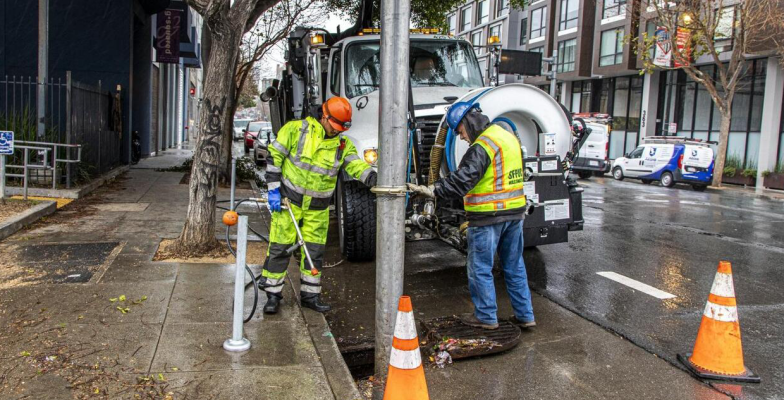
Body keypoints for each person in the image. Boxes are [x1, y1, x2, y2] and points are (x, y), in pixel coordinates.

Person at [407, 102, 535, 330]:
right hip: (514, 214)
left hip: (487, 217)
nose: (462, 137)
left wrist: (434, 190)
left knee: (480, 268)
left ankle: (486, 317)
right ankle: (525, 316)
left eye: (460, 131)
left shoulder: (483, 145)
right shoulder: (507, 137)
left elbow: (464, 179)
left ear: (468, 122)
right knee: (514, 266)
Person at [262, 97, 377, 314]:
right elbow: (274, 156)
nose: (337, 132)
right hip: (289, 203)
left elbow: (355, 165)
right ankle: (272, 295)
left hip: (318, 209)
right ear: (324, 117)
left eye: (341, 128)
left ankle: (310, 296)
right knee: (280, 248)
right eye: (335, 127)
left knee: (313, 252)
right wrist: (274, 190)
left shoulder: (342, 145)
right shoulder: (296, 130)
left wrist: (372, 178)